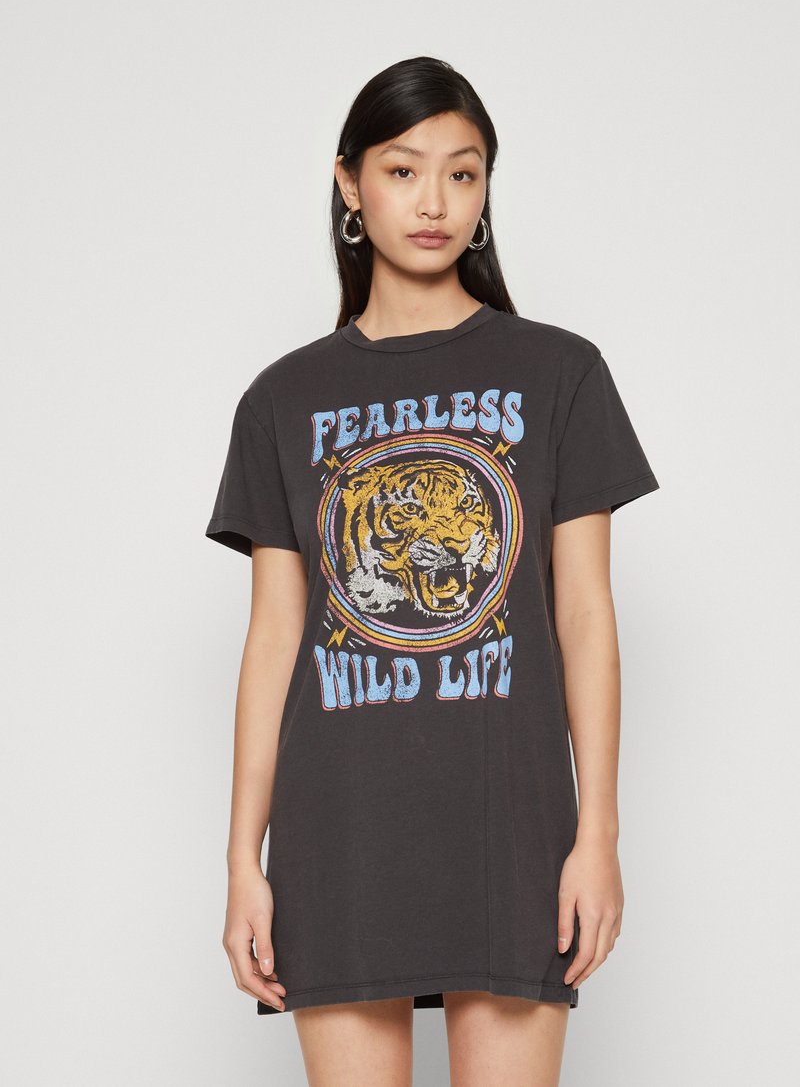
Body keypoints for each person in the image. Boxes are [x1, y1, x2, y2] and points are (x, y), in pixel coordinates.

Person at [205, 56, 660, 1087]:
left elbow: (584, 615)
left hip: (510, 824)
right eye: (403, 170)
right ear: (349, 183)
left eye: (463, 173)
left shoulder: (558, 372)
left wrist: (596, 832)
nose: (434, 202)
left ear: (486, 190)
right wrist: (242, 862)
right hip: (339, 828)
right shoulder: (282, 399)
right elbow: (273, 638)